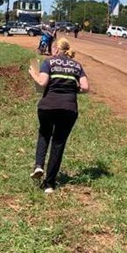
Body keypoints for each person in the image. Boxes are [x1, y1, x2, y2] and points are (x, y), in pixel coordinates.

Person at [27, 37, 89, 194]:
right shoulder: (77, 65)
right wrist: (73, 89)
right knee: (58, 143)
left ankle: (39, 165)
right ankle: (49, 184)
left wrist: (33, 74)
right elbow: (86, 87)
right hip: (69, 108)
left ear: (55, 49)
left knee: (44, 134)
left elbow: (42, 83)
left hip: (48, 106)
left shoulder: (49, 62)